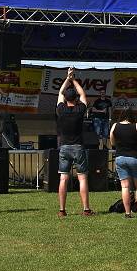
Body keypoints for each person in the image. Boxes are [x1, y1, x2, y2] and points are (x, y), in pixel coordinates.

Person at [56, 67, 92, 217]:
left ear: (65, 99)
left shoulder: (61, 109)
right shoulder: (80, 110)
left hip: (64, 147)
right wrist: (74, 79)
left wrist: (67, 78)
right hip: (78, 147)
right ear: (75, 99)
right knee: (82, 178)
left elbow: (59, 93)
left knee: (63, 178)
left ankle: (62, 210)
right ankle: (86, 209)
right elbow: (83, 94)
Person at [109, 107, 137, 217]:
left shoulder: (115, 126)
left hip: (120, 157)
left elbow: (112, 142)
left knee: (125, 187)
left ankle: (127, 212)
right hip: (135, 157)